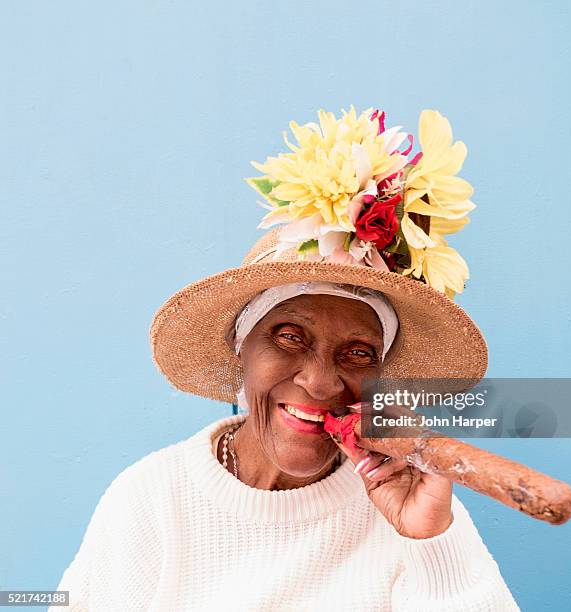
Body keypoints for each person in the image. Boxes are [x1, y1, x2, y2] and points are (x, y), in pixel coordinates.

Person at [51, 107, 521, 611]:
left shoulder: (410, 502)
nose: (320, 383)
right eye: (290, 337)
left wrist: (432, 544)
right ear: (241, 347)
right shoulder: (153, 497)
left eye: (359, 353)